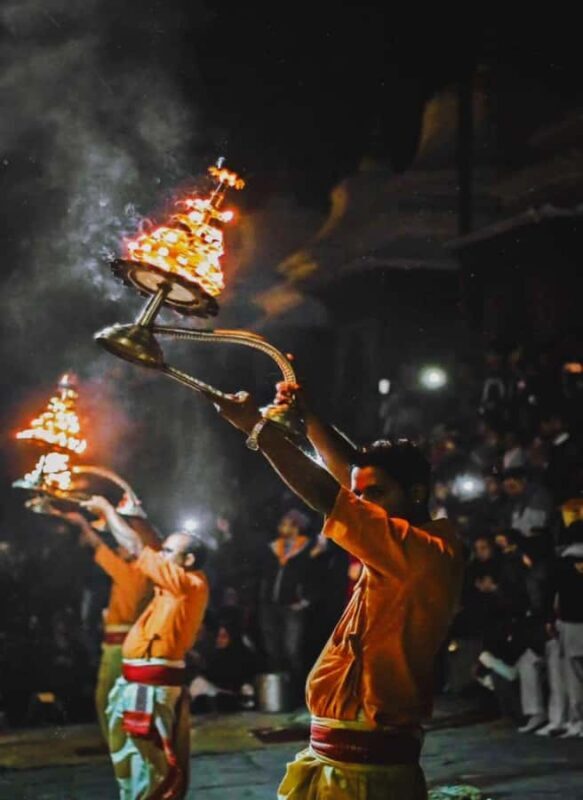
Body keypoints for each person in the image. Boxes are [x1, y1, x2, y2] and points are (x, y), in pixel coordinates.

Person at [211, 382, 463, 800]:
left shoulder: (423, 552)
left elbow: (330, 495)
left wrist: (257, 428)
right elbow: (348, 480)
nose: (363, 502)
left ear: (417, 494)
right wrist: (308, 417)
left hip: (364, 770)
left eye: (376, 494)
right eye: (361, 495)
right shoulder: (403, 542)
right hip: (346, 763)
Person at [82, 495, 209, 800]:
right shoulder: (173, 582)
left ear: (188, 560)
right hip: (137, 684)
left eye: (168, 552)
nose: (159, 555)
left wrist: (108, 512)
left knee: (149, 769)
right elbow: (149, 546)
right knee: (134, 764)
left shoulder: (189, 584)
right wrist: (137, 518)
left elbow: (141, 549)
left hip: (150, 689)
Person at [58, 504, 159, 740]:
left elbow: (98, 546)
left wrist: (83, 524)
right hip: (135, 647)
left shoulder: (133, 573)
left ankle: (121, 743)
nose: (118, 546)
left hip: (120, 649)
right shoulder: (144, 573)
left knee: (107, 697)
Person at [258, 509, 311, 693]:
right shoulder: (274, 548)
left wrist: (305, 600)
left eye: (286, 523)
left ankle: (297, 692)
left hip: (292, 607)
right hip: (270, 606)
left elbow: (314, 577)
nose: (282, 527)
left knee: (292, 650)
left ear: (297, 526)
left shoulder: (307, 549)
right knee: (273, 650)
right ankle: (279, 694)